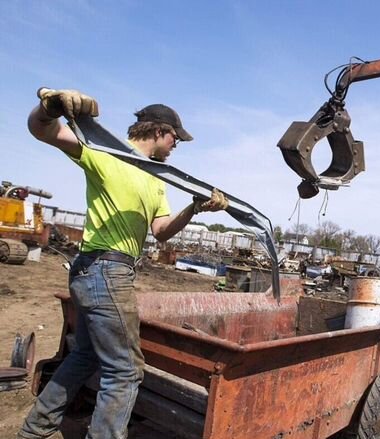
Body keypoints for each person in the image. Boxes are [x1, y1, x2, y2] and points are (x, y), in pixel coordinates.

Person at [19, 88, 228, 439]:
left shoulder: (155, 177)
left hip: (101, 273)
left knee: (85, 355)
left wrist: (194, 208)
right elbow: (44, 130)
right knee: (126, 370)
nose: (177, 145)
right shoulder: (107, 152)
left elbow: (160, 231)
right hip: (104, 269)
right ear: (160, 131)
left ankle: (35, 428)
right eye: (176, 137)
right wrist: (48, 107)